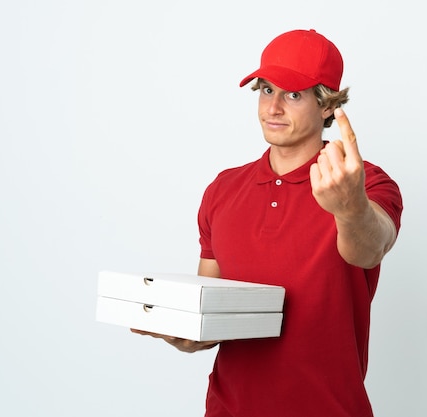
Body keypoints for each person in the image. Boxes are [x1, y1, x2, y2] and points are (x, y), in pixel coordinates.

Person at [132, 28, 403, 416]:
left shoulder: (362, 182)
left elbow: (369, 248)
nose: (273, 108)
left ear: (327, 105)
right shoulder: (223, 190)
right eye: (266, 90)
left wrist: (350, 207)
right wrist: (189, 333)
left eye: (293, 95)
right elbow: (214, 308)